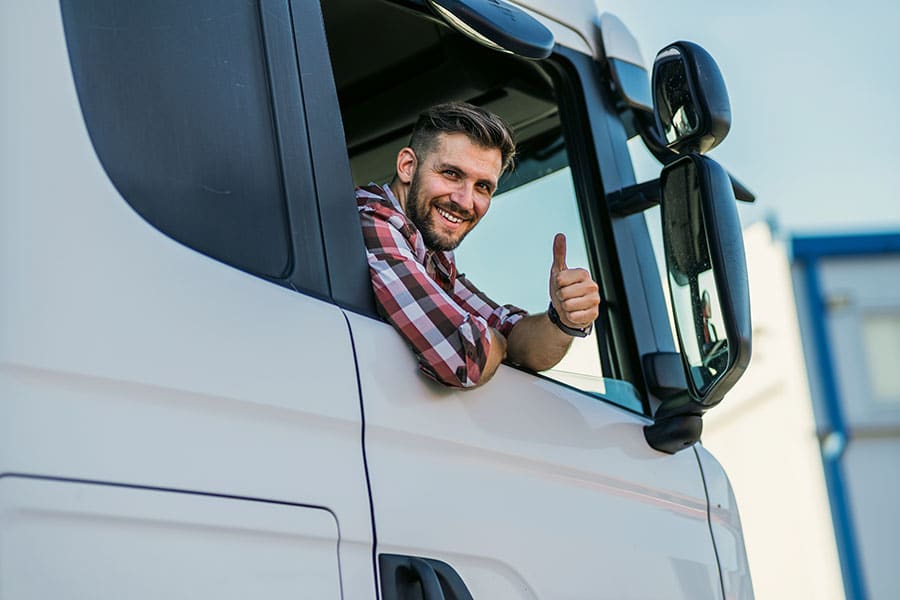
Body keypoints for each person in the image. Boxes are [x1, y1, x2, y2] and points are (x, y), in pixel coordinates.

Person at [357, 102, 601, 388]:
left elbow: (515, 335)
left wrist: (564, 319)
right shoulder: (371, 220)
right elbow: (465, 357)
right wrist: (498, 342)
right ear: (408, 167)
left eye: (483, 187)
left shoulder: (433, 256)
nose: (464, 201)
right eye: (451, 174)